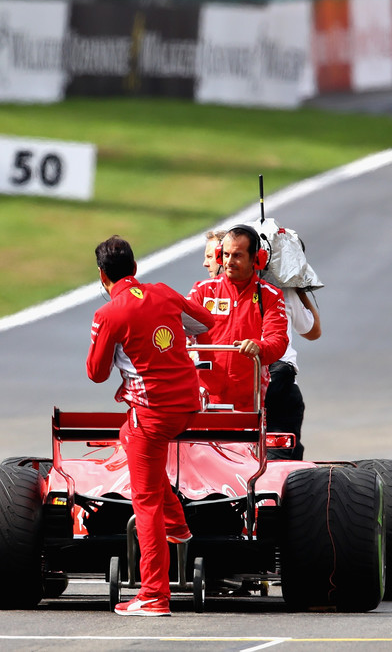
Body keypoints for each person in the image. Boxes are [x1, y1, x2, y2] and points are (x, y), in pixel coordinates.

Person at [86, 235, 215, 616]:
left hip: (153, 415)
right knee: (132, 441)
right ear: (135, 268)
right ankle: (178, 525)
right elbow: (204, 324)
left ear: (102, 276)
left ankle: (154, 596)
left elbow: (95, 374)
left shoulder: (109, 315)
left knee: (144, 503)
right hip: (189, 405)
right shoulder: (162, 292)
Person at [187, 225, 289, 412]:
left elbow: (278, 341)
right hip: (203, 401)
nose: (229, 261)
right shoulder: (202, 290)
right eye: (226, 255)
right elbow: (180, 331)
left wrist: (259, 346)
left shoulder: (271, 295)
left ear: (256, 259)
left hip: (250, 403)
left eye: (237, 255)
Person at [265, 286, 321, 460]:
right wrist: (300, 289)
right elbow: (313, 331)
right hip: (278, 383)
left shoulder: (207, 291)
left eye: (209, 257)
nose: (206, 263)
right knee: (281, 461)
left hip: (270, 383)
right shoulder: (284, 291)